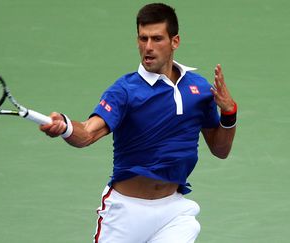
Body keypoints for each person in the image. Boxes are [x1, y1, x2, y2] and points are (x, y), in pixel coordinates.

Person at [40, 3, 237, 243]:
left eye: (156, 39)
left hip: (173, 213)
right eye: (143, 39)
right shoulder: (124, 91)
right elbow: (87, 134)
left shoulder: (199, 89)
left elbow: (220, 149)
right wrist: (65, 126)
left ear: (175, 42)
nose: (148, 48)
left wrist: (229, 114)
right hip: (125, 213)